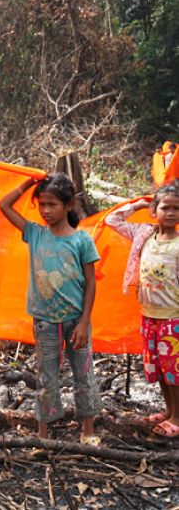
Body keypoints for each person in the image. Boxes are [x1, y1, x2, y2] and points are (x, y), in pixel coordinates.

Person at [0, 173, 102, 442]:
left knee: (84, 373)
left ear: (68, 206)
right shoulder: (34, 233)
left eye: (51, 204)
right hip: (45, 321)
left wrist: (84, 321)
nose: (45, 210)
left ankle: (88, 428)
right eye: (41, 204)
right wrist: (28, 184)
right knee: (47, 377)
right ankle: (44, 432)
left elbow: (91, 283)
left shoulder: (81, 240)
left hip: (77, 320)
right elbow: (4, 205)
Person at [104, 181, 179, 437]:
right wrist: (140, 203)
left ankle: (177, 418)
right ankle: (169, 411)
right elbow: (112, 219)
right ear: (154, 211)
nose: (171, 213)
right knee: (157, 368)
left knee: (174, 371)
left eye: (176, 209)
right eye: (165, 207)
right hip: (149, 315)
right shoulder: (142, 234)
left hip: (173, 318)